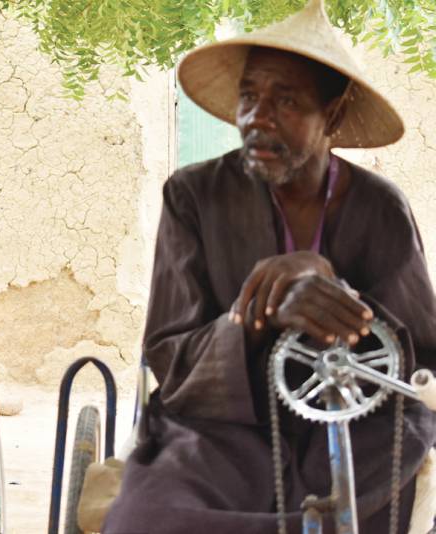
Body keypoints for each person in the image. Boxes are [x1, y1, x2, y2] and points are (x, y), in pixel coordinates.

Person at [103, 1, 436, 533]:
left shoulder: (380, 208)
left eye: (286, 100)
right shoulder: (193, 196)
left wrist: (336, 298)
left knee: (379, 475)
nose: (258, 117)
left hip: (351, 424)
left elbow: (420, 359)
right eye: (249, 96)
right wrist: (257, 315)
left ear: (334, 113)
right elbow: (169, 354)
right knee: (148, 516)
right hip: (221, 430)